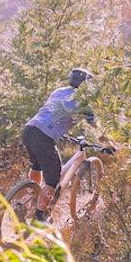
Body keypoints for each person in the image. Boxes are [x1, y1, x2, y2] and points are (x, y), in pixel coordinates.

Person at [21, 68, 97, 218]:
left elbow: (52, 112)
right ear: (86, 86)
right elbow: (93, 125)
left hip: (29, 129)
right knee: (53, 178)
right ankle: (40, 216)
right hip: (44, 136)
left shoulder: (58, 91)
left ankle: (29, 198)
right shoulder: (85, 103)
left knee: (37, 165)